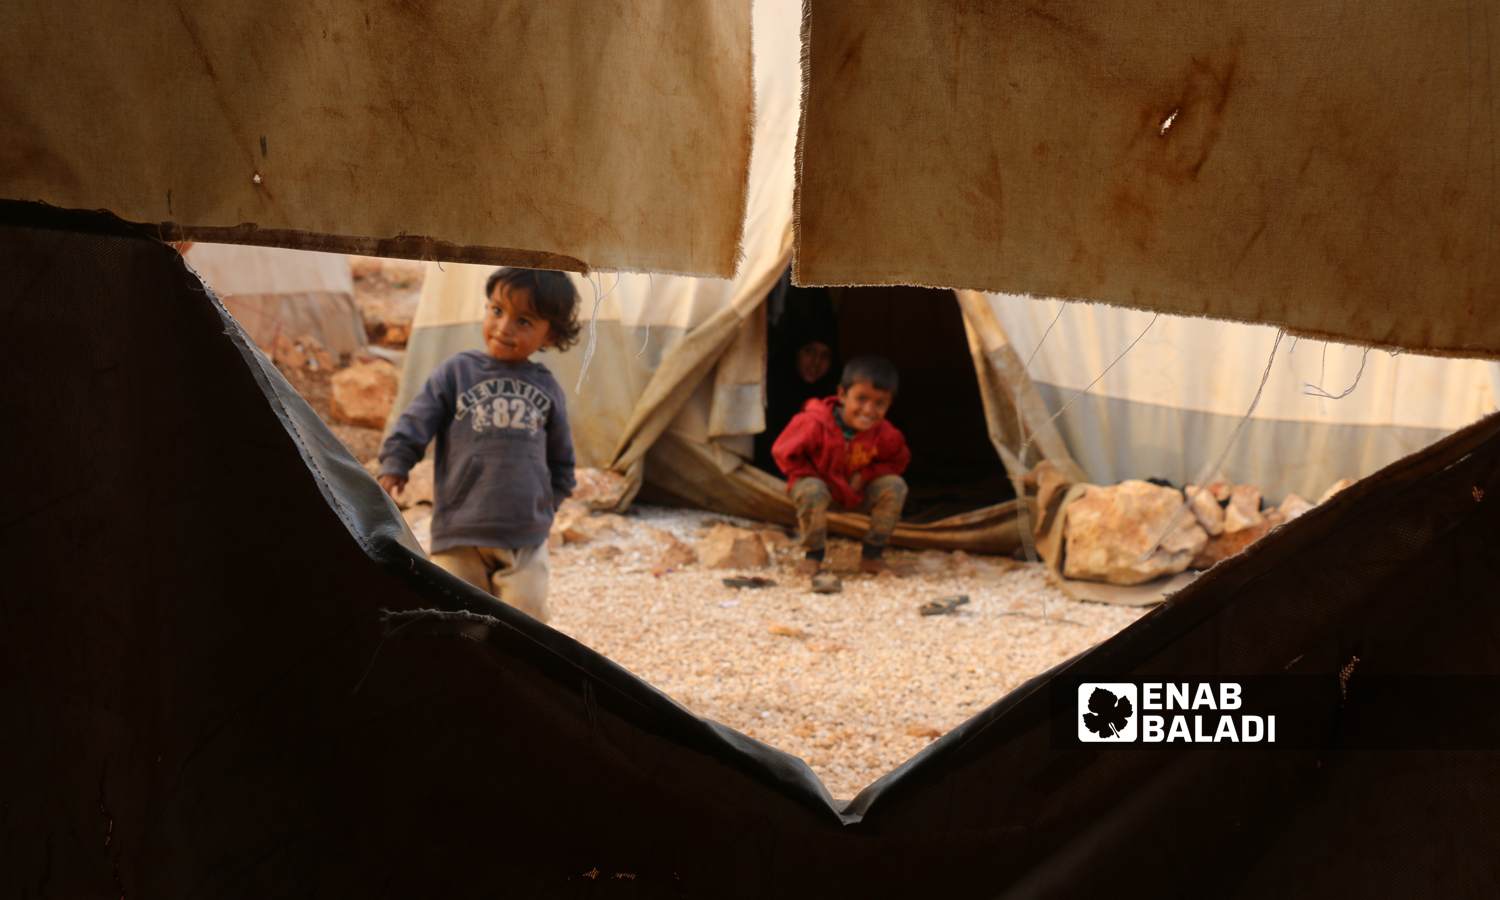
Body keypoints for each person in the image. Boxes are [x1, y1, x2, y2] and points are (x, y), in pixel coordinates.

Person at [377, 268, 580, 623]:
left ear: (551, 335)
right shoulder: (455, 372)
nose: (504, 327)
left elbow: (562, 459)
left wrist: (548, 503)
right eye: (497, 310)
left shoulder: (547, 388)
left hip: (525, 538)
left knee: (526, 622)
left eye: (524, 321)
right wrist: (396, 463)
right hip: (460, 532)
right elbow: (415, 423)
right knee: (456, 618)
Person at [772, 355, 910, 581]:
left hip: (854, 493)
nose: (868, 410)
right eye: (861, 398)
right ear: (843, 395)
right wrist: (819, 477)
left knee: (895, 486)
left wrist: (865, 474)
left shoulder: (884, 434)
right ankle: (813, 555)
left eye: (880, 403)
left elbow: (900, 460)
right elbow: (783, 452)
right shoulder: (815, 422)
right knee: (812, 490)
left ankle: (872, 555)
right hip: (819, 490)